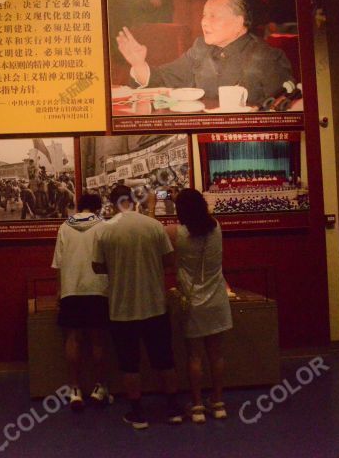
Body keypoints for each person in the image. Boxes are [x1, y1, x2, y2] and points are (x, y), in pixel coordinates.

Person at [92, 184, 181, 430]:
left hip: (122, 308)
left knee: (129, 363)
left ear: (111, 203)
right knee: (165, 359)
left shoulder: (104, 230)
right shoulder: (153, 226)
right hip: (155, 304)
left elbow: (97, 267)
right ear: (133, 199)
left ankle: (138, 413)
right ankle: (173, 408)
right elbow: (168, 261)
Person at [116, 0, 294, 108]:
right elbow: (165, 77)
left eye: (213, 16)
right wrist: (139, 64)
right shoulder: (200, 48)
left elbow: (285, 105)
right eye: (204, 15)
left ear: (239, 22)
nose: (204, 22)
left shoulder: (267, 57)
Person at [166, 189, 232, 423]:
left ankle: (196, 406)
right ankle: (218, 402)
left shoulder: (177, 233)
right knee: (216, 355)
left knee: (194, 356)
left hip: (192, 302)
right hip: (217, 299)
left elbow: (158, 238)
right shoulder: (217, 227)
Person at [51, 194, 112, 411]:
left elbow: (58, 263)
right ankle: (99, 387)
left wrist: (60, 291)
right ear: (97, 208)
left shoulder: (64, 228)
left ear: (79, 207)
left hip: (71, 290)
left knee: (73, 339)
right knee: (97, 340)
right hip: (98, 289)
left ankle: (75, 389)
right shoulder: (104, 226)